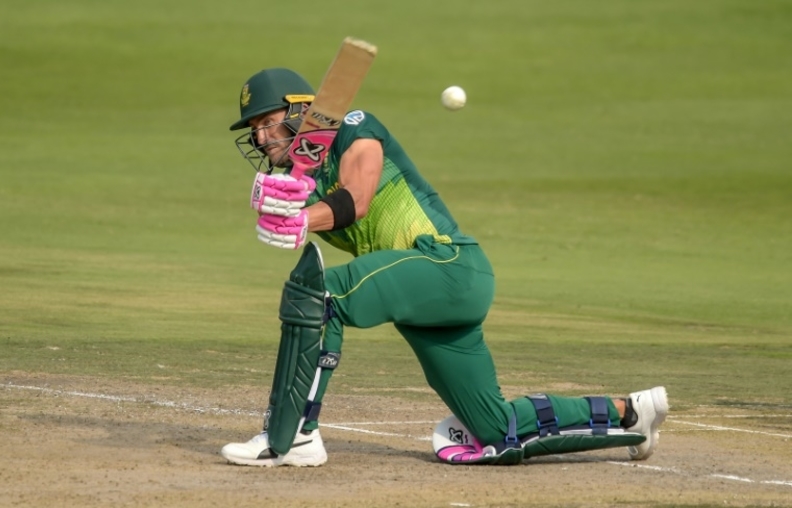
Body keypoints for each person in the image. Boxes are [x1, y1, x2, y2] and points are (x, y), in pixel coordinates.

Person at [219, 68, 669, 467]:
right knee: (497, 429)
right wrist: (291, 215)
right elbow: (317, 211)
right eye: (254, 130)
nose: (261, 137)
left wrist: (302, 219)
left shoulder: (354, 128)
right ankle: (630, 412)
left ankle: (294, 435)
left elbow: (356, 199)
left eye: (267, 122)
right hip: (425, 300)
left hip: (448, 264)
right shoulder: (302, 182)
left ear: (300, 111)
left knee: (322, 294)